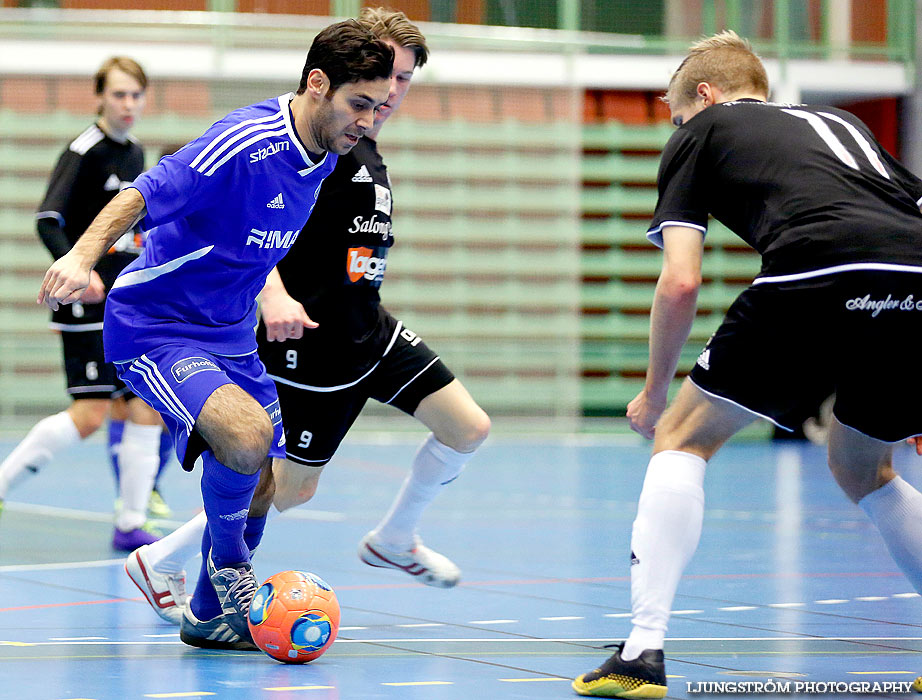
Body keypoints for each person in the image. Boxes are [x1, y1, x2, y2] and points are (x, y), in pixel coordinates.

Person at [573, 31, 922, 698]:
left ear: (703, 96)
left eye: (678, 115)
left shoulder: (703, 131)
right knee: (862, 465)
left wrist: (653, 396)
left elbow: (680, 281)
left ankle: (641, 653)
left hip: (821, 264)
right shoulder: (841, 123)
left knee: (683, 437)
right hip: (916, 276)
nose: (678, 128)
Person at [125, 6, 490, 631]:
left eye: (402, 82)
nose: (389, 95)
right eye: (381, 81)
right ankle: (162, 558)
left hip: (370, 329)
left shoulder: (363, 144)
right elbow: (245, 225)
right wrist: (272, 293)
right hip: (314, 343)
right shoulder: (315, 144)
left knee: (468, 427)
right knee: (283, 487)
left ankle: (396, 538)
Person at [38, 21, 393, 651]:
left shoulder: (325, 156)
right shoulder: (245, 140)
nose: (367, 120)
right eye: (358, 104)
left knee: (264, 480)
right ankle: (232, 574)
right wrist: (82, 257)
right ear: (317, 85)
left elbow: (250, 251)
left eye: (377, 105)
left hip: (230, 334)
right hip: (155, 325)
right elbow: (143, 194)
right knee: (247, 436)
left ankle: (208, 614)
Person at [0, 56, 168, 551]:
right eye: (119, 94)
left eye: (136, 95)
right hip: (84, 300)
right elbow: (48, 219)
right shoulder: (83, 151)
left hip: (126, 302)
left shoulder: (135, 153)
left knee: (143, 407)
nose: (128, 104)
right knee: (92, 413)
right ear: (100, 97)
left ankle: (130, 521)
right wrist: (80, 267)